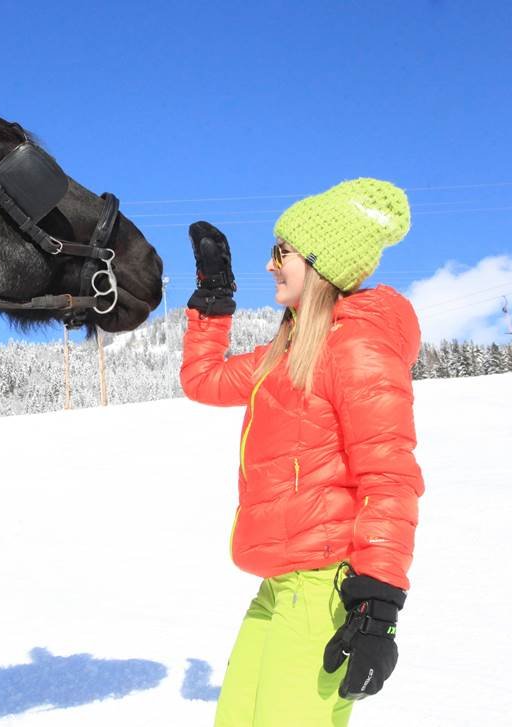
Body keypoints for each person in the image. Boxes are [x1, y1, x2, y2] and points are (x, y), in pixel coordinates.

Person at [180, 178, 424, 726]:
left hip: (325, 590)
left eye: (281, 253)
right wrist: (215, 302)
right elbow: (204, 380)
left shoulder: (357, 349)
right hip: (277, 587)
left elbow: (389, 477)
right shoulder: (287, 354)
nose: (271, 265)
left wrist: (379, 604)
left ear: (320, 263)